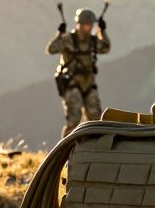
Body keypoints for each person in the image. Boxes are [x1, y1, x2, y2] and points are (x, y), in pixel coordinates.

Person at [47, 8, 111, 138]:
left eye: (91, 25)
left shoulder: (92, 41)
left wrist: (102, 31)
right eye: (88, 25)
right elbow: (51, 49)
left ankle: (92, 150)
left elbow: (105, 47)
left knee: (96, 119)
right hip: (72, 84)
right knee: (74, 120)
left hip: (89, 84)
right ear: (80, 24)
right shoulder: (68, 39)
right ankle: (66, 152)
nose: (90, 28)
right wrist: (59, 34)